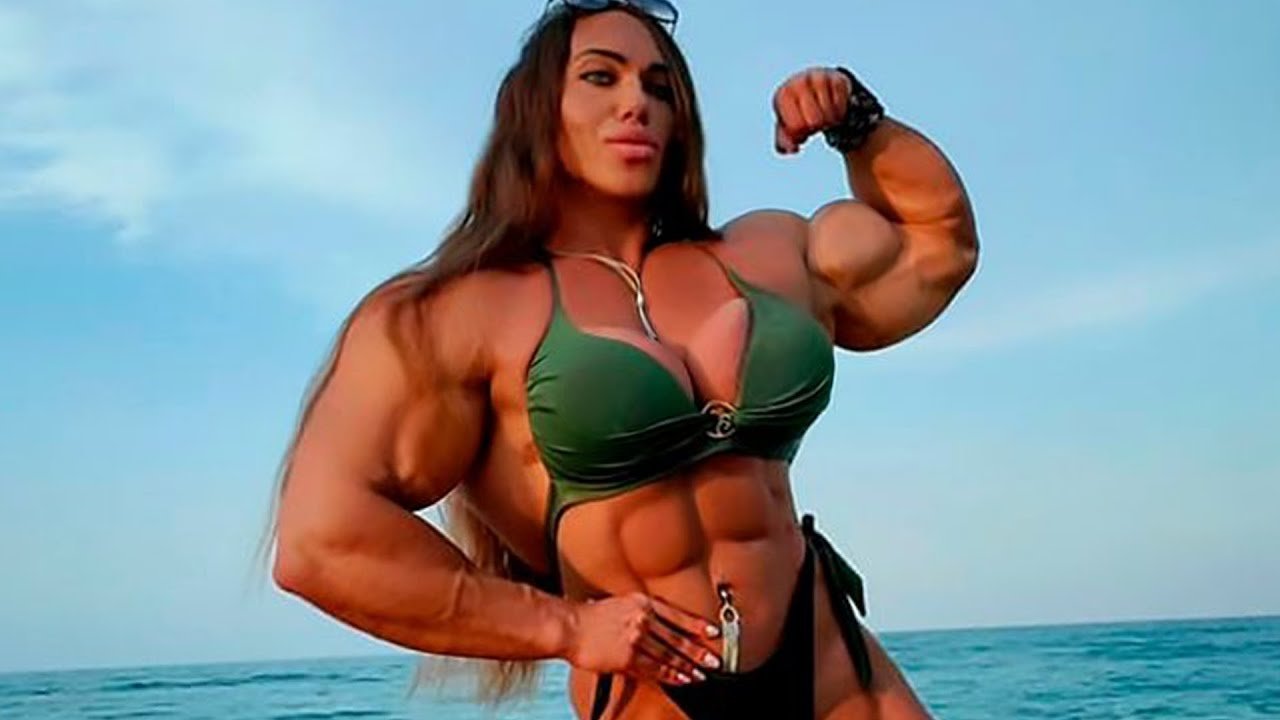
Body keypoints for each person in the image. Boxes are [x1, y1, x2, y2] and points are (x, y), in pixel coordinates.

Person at [269, 1, 977, 717]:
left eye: (659, 87)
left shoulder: (764, 254)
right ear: (538, 110)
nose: (636, 102)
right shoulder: (459, 311)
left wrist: (857, 122)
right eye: (601, 77)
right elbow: (321, 543)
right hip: (653, 691)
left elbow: (939, 248)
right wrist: (566, 628)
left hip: (830, 662)